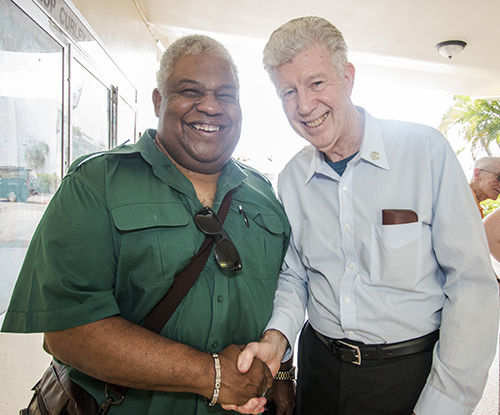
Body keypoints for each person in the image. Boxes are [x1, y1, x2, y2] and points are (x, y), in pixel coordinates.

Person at [1, 35, 291, 415]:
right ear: (159, 101)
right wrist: (212, 374)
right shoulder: (96, 183)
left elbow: (287, 290)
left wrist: (283, 372)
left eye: (226, 95)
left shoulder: (265, 194)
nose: (210, 106)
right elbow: (68, 331)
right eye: (190, 91)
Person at [226, 16, 499, 415]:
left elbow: (472, 285)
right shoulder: (292, 178)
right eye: (288, 91)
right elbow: (296, 274)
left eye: (317, 83)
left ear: (348, 76)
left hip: (407, 377)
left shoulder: (426, 153)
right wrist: (276, 337)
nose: (304, 105)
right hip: (319, 370)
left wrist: (445, 403)